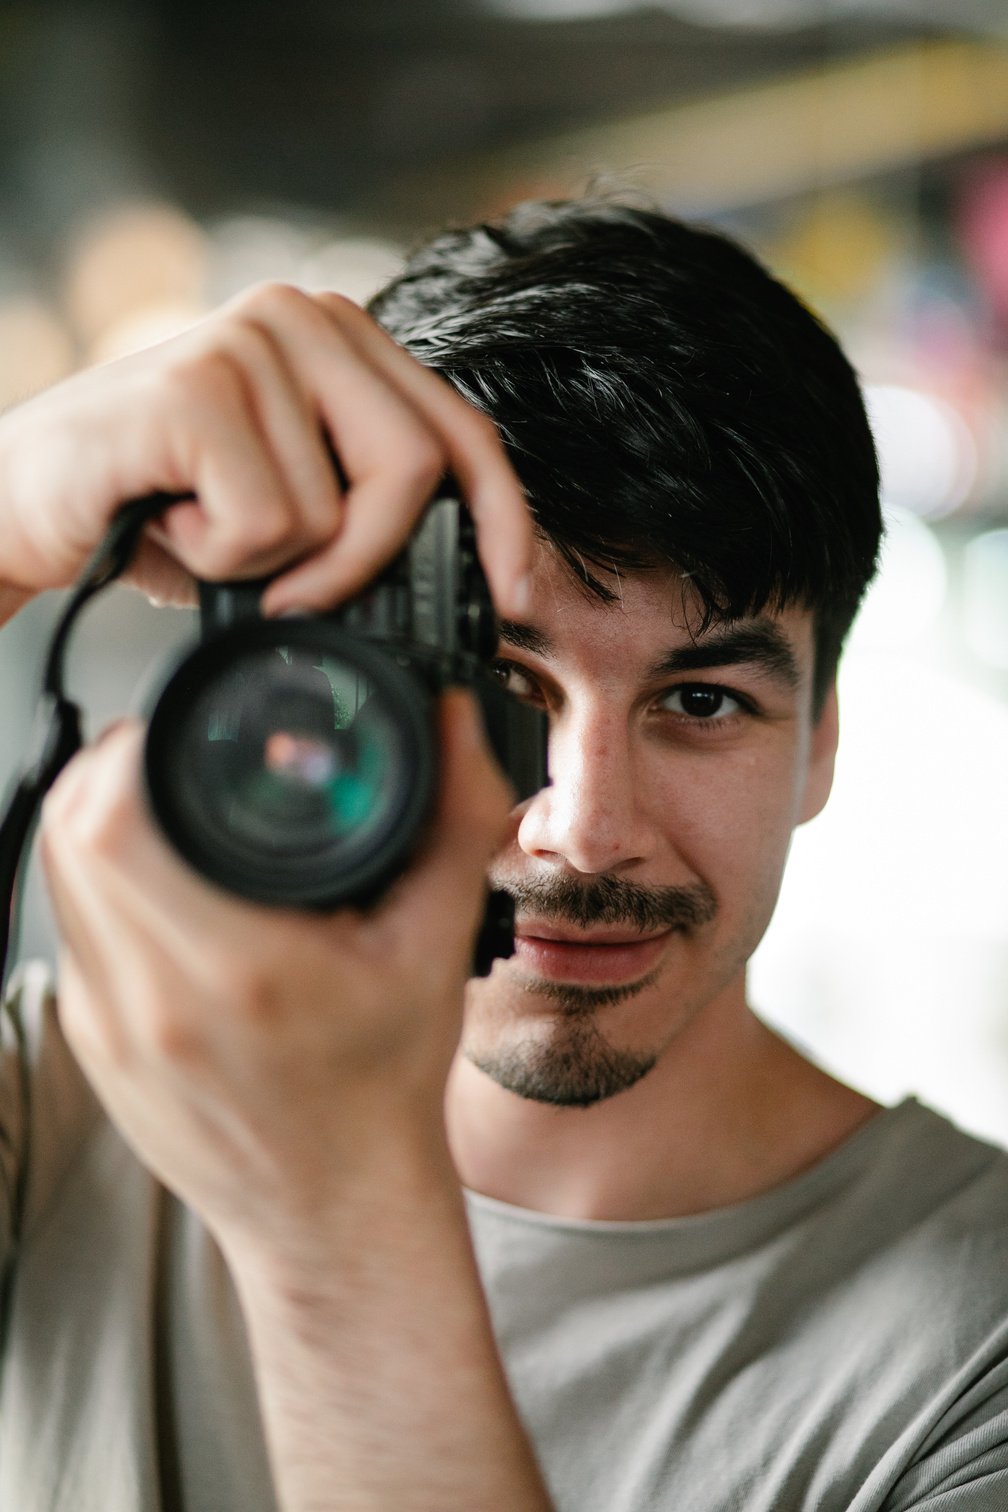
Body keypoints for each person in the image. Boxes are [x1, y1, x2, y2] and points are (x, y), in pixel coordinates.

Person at [0, 197, 1006, 1512]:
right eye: (498, 685)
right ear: (325, 686)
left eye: (700, 703)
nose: (583, 828)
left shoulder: (970, 1354)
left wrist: (338, 1228)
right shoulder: (59, 1111)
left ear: (819, 746)